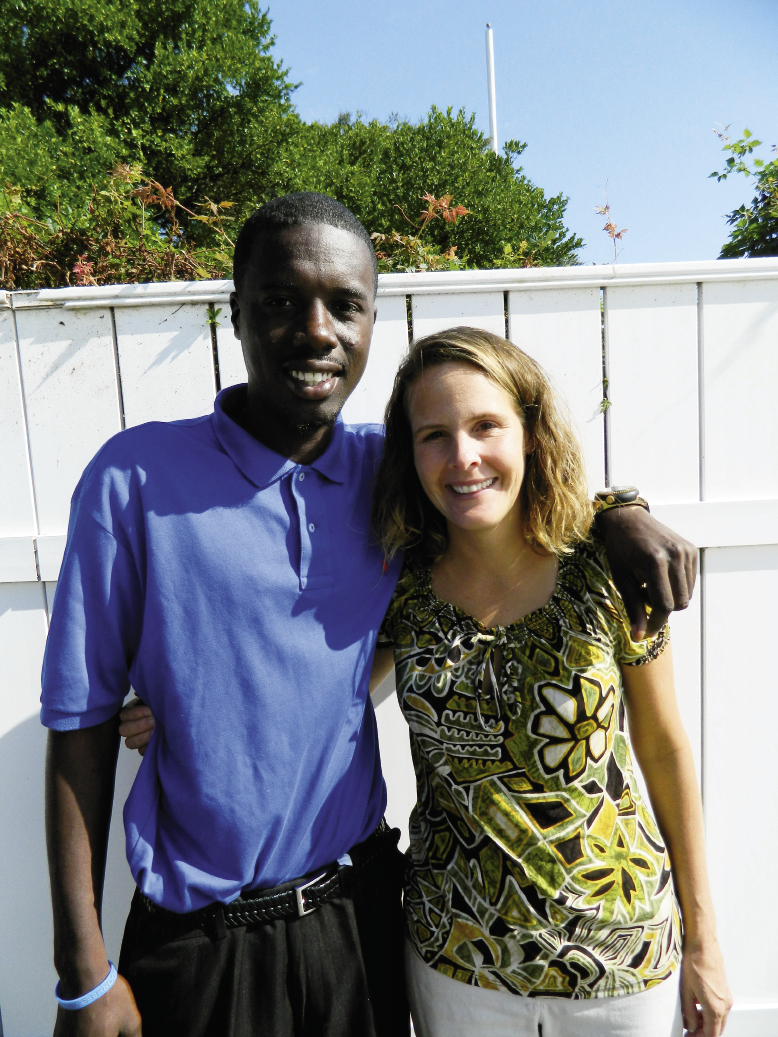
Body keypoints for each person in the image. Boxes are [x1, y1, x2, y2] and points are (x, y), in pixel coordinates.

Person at [42, 192, 697, 1037]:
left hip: (359, 919)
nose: (316, 329)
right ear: (233, 312)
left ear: (370, 319)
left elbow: (507, 481)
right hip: (200, 943)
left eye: (344, 304)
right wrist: (81, 977)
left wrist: (619, 510)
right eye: (280, 301)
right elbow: (81, 723)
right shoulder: (132, 478)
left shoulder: (394, 474)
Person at [369, 327, 731, 1037]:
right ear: (409, 454)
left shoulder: (608, 570)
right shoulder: (396, 587)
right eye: (434, 435)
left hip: (619, 961)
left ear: (530, 432)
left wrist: (704, 941)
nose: (463, 456)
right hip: (460, 959)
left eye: (485, 425)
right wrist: (191, 707)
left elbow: (664, 748)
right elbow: (311, 690)